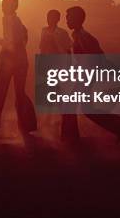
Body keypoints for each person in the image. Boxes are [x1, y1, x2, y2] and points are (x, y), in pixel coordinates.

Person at [66, 6, 120, 141]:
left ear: (77, 19)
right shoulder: (78, 36)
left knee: (72, 105)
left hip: (87, 76)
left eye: (69, 17)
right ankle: (116, 124)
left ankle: (70, 137)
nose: (67, 20)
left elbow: (96, 56)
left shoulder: (83, 37)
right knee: (84, 108)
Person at [0, 0, 37, 133]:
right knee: (18, 92)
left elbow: (11, 41)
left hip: (12, 60)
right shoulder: (14, 20)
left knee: (1, 91)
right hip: (19, 60)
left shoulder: (11, 20)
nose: (2, 7)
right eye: (2, 4)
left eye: (5, 4)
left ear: (12, 6)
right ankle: (26, 125)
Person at [39, 10, 76, 142]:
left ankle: (60, 121)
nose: (50, 20)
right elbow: (41, 48)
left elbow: (68, 50)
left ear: (57, 19)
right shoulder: (44, 31)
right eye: (48, 17)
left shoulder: (62, 33)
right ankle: (47, 121)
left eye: (52, 18)